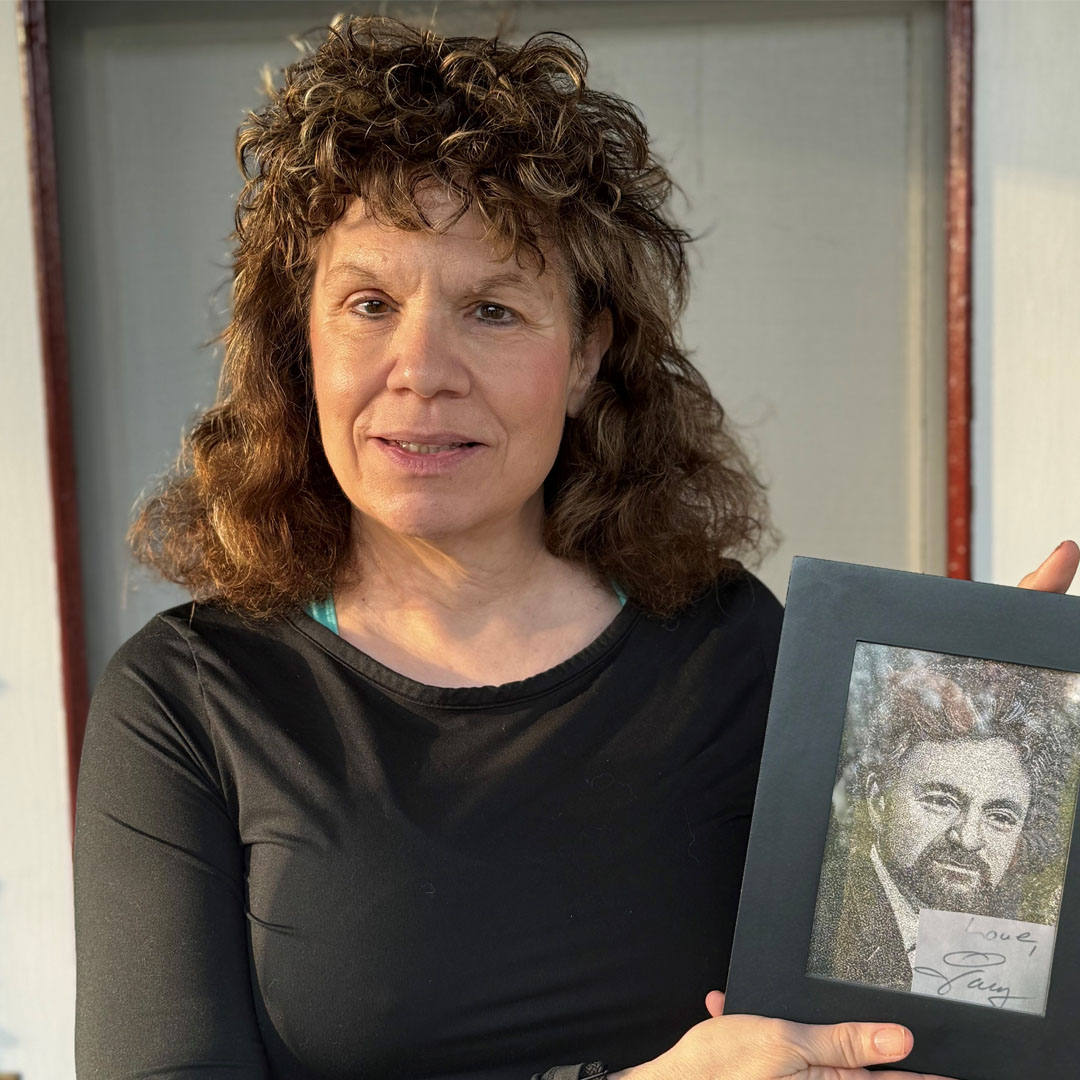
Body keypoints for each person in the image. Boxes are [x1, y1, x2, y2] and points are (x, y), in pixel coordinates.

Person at [72, 15, 1078, 1080]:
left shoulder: (729, 645)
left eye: (493, 309)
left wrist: (994, 708)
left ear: (589, 353)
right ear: (301, 342)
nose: (422, 369)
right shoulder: (190, 699)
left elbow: (878, 1013)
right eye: (369, 303)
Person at [808, 664, 1073, 993]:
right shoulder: (821, 918)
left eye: (1001, 817)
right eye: (941, 801)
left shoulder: (1009, 938)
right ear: (878, 801)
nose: (968, 839)